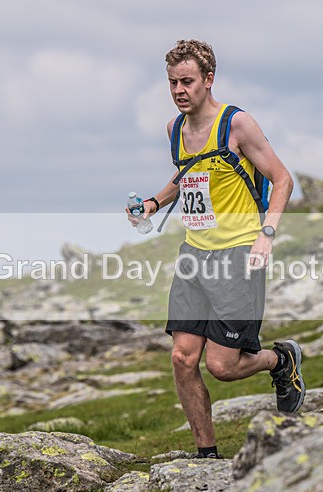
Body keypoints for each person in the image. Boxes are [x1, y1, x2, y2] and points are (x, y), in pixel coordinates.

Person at [128, 39, 305, 459]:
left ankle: (280, 361)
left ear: (209, 80)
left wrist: (267, 233)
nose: (179, 90)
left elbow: (282, 179)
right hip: (194, 256)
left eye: (187, 81)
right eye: (173, 82)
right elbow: (187, 175)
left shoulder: (237, 124)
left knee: (223, 367)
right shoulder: (175, 129)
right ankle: (206, 454)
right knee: (182, 358)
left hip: (238, 255)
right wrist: (154, 202)